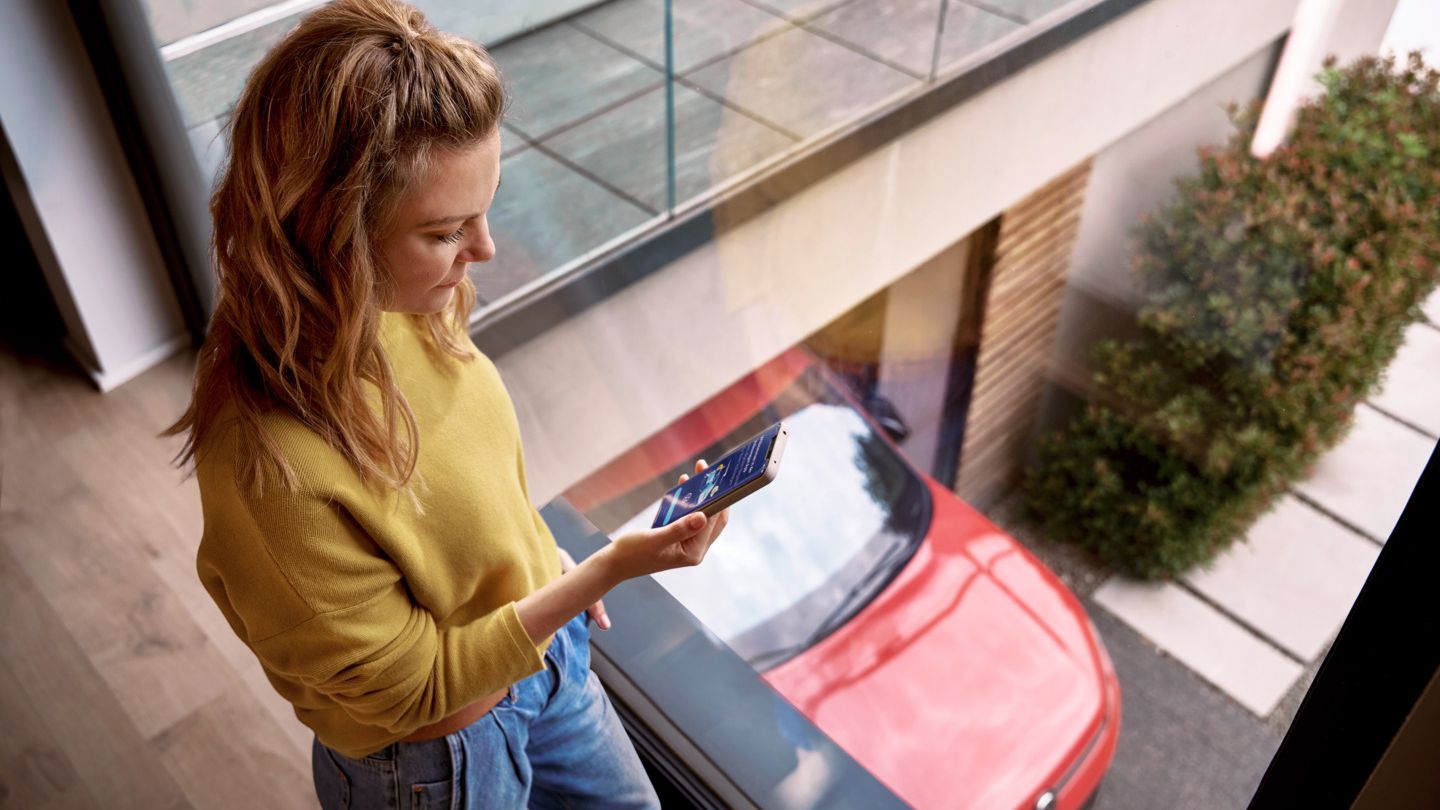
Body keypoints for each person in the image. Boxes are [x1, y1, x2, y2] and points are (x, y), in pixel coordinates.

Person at [165, 1, 729, 807]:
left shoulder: (408, 304)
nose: (485, 251)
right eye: (445, 231)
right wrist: (607, 570)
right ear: (330, 234)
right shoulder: (270, 469)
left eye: (484, 209)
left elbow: (458, 485)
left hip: (545, 656)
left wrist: (541, 564)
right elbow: (414, 692)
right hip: (442, 758)